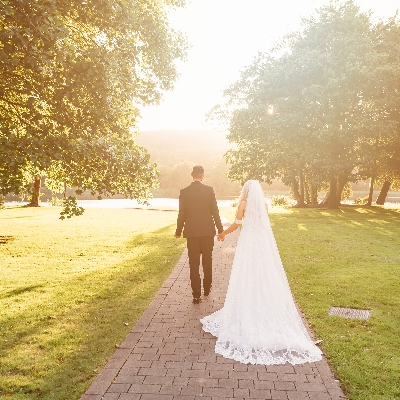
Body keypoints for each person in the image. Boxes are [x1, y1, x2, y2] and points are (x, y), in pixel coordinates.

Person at [200, 180, 323, 365]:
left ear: (246, 191)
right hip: (261, 244)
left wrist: (223, 233)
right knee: (263, 274)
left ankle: (247, 305)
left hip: (248, 243)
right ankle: (264, 304)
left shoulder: (243, 204)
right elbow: (262, 224)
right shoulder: (264, 205)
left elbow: (237, 223)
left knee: (246, 274)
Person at [175, 165, 223, 304]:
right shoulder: (209, 190)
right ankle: (207, 289)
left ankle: (196, 295)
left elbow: (182, 214)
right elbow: (215, 211)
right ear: (203, 175)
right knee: (207, 261)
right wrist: (220, 230)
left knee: (194, 264)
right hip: (207, 232)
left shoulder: (184, 192)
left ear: (192, 174)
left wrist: (178, 231)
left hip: (192, 233)